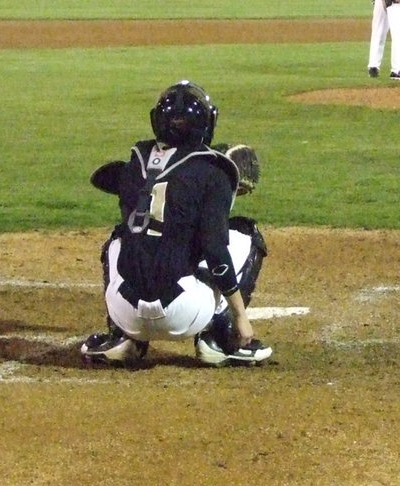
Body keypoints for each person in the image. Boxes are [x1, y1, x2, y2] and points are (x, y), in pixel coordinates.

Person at [79, 80, 272, 367]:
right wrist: (242, 318)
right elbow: (215, 251)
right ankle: (220, 339)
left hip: (126, 312)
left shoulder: (136, 161)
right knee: (245, 233)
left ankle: (120, 337)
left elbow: (106, 179)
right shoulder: (213, 171)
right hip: (183, 313)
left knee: (120, 238)